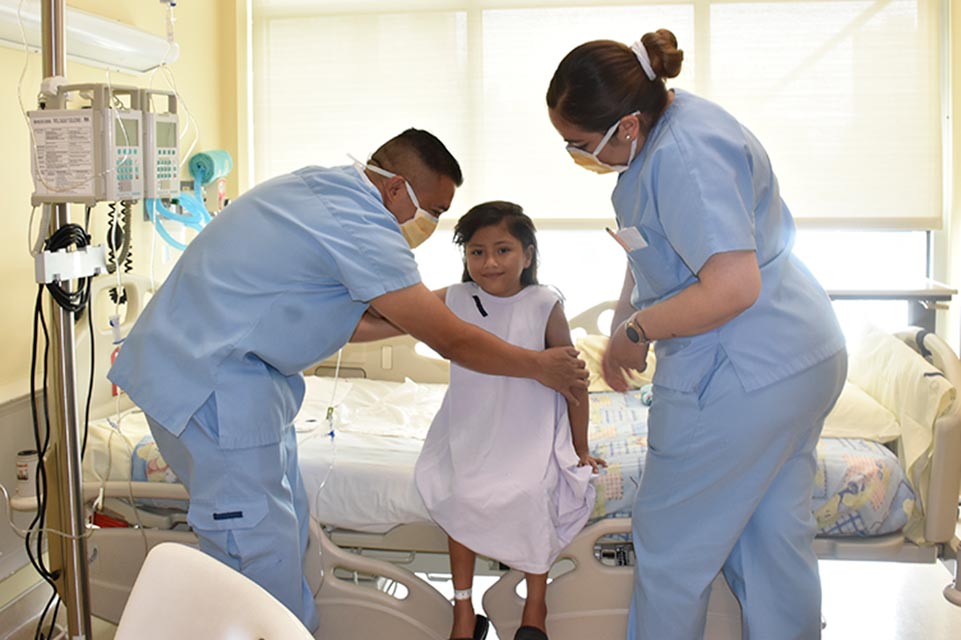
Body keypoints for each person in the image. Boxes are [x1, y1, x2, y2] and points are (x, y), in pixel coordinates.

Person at [107, 129, 588, 632]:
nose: (433, 224)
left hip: (234, 385)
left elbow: (359, 322)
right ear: (398, 189)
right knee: (254, 553)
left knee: (284, 531)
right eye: (437, 210)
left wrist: (446, 302)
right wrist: (536, 364)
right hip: (213, 389)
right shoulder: (362, 224)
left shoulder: (323, 189)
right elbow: (454, 342)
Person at [546, 30, 847, 640]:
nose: (575, 155)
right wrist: (625, 310)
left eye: (578, 144)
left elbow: (732, 287)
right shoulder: (672, 124)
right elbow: (658, 240)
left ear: (626, 125)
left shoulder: (683, 157)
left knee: (672, 553)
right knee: (771, 540)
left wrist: (637, 327)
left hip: (744, 371)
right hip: (797, 354)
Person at [355, 201, 605, 640]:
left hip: (527, 427)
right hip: (470, 425)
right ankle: (464, 610)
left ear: (527, 255)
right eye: (476, 252)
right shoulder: (454, 298)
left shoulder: (544, 304)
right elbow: (387, 319)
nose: (489, 262)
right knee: (462, 493)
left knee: (532, 492)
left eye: (503, 250)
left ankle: (536, 606)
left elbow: (574, 383)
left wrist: (580, 447)